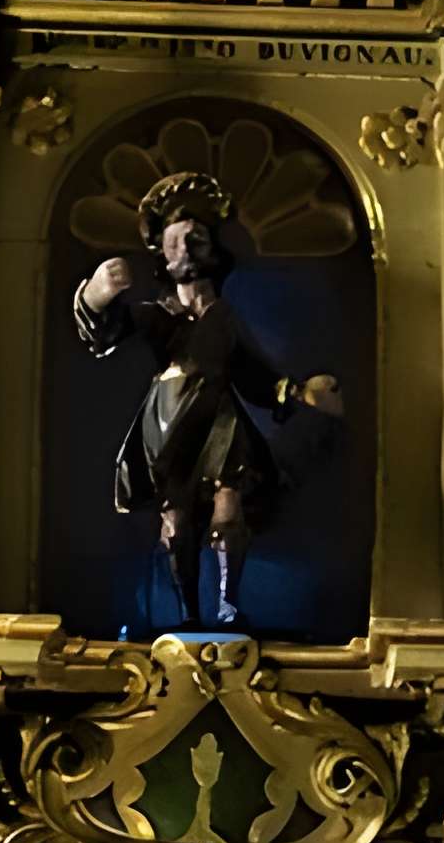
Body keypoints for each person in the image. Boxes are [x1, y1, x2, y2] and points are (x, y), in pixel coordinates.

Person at [73, 170, 343, 631]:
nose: (186, 250)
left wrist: (296, 393)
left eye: (194, 239)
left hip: (221, 418)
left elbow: (251, 371)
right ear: (164, 254)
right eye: (176, 242)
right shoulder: (161, 317)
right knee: (176, 523)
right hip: (169, 420)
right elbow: (109, 330)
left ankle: (227, 603)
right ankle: (186, 613)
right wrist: (97, 293)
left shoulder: (224, 317)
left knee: (228, 506)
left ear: (213, 250)